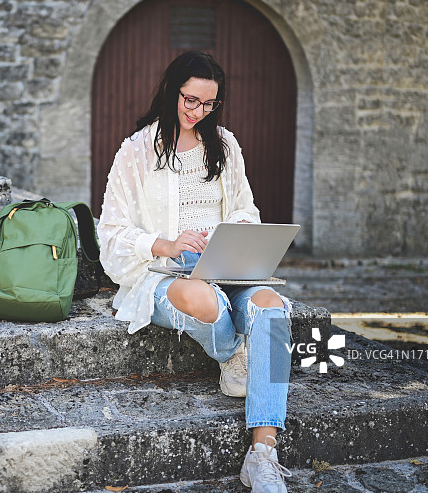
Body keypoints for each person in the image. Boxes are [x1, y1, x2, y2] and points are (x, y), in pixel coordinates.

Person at [96, 50, 294, 493]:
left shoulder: (224, 144)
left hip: (226, 264)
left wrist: (233, 232)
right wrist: (163, 244)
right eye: (191, 100)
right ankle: (235, 354)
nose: (198, 112)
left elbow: (246, 208)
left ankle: (263, 453)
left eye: (208, 104)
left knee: (272, 306)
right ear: (171, 90)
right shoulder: (136, 151)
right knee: (201, 297)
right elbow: (110, 232)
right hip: (167, 271)